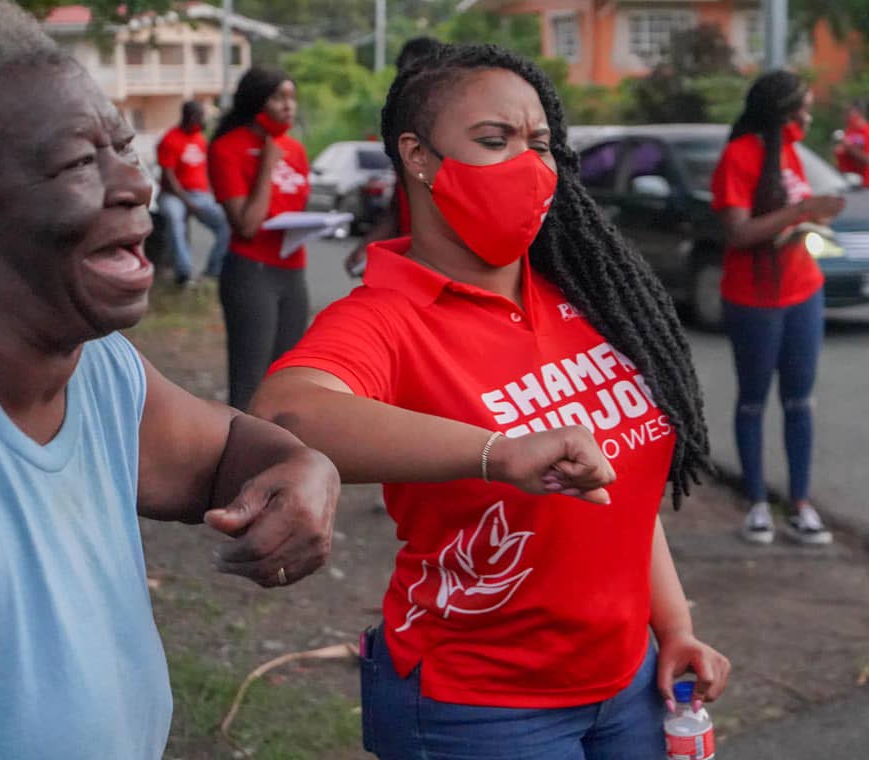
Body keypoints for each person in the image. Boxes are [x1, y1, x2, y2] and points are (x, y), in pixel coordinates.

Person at [251, 43, 730, 759]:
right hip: (478, 708)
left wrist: (674, 627)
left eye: (540, 143)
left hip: (628, 687)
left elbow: (622, 493)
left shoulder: (588, 294)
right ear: (417, 155)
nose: (529, 165)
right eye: (494, 140)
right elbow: (285, 415)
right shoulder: (385, 316)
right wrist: (495, 453)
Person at [0, 0, 339, 758]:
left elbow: (224, 450)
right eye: (79, 162)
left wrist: (304, 468)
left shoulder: (93, 364)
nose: (134, 185)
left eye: (123, 149)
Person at [710, 70, 845, 546]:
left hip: (802, 290)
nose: (807, 116)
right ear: (781, 113)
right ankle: (757, 505)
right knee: (753, 400)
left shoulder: (789, 152)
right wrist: (803, 212)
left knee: (799, 401)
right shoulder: (738, 157)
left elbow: (786, 219)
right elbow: (741, 232)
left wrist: (812, 221)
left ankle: (801, 506)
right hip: (753, 300)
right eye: (802, 108)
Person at [208, 67, 311, 411]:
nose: (288, 107)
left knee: (289, 377)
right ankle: (244, 459)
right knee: (250, 382)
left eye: (292, 98)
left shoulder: (295, 150)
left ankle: (284, 453)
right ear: (256, 102)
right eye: (279, 98)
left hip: (293, 271)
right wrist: (266, 165)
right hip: (252, 273)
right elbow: (247, 226)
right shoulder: (227, 149)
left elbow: (295, 210)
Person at [343, 36, 443, 276]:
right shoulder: (405, 134)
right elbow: (399, 207)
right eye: (405, 79)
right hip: (409, 266)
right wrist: (368, 245)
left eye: (421, 78)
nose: (411, 89)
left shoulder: (459, 137)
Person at [156, 100, 230, 285]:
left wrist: (215, 195)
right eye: (199, 116)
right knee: (175, 219)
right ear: (188, 116)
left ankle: (213, 271)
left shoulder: (200, 139)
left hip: (200, 195)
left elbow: (207, 171)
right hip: (174, 195)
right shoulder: (170, 139)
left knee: (227, 223)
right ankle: (184, 272)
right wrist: (188, 203)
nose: (202, 121)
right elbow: (168, 178)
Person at [834, 101, 869, 187]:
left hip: (864, 185)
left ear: (860, 113)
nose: (846, 116)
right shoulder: (848, 131)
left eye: (849, 112)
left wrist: (849, 147)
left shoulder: (866, 131)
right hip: (847, 183)